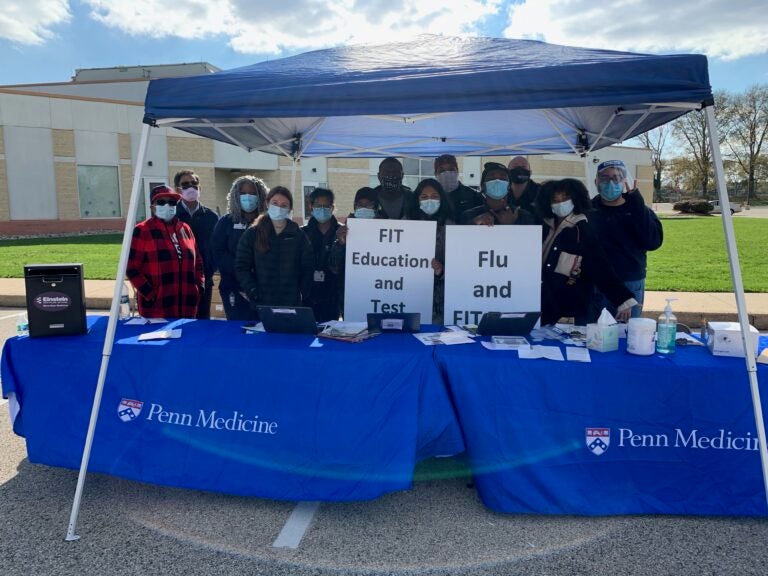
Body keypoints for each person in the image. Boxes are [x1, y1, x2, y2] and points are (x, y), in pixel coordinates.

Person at [536, 178, 637, 326]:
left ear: (576, 198)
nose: (560, 203)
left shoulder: (583, 229)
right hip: (542, 303)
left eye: (565, 198)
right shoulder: (544, 225)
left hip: (570, 308)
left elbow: (600, 266)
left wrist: (622, 299)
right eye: (555, 199)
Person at [588, 159, 664, 321]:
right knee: (589, 335)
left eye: (616, 178)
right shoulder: (588, 209)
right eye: (604, 177)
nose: (610, 182)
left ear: (624, 182)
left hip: (629, 283)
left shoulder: (639, 210)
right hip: (595, 283)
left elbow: (652, 242)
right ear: (596, 182)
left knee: (626, 336)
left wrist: (636, 206)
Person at [126, 185, 205, 319]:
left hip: (187, 305)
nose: (167, 205)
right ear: (152, 207)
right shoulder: (143, 230)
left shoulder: (185, 229)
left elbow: (197, 261)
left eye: (172, 202)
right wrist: (150, 293)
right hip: (157, 308)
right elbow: (131, 267)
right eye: (161, 202)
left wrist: (199, 286)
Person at [234, 186, 314, 316]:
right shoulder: (252, 234)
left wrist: (301, 293)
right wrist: (253, 290)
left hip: (292, 305)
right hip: (261, 305)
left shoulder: (298, 235)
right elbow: (241, 266)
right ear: (267, 203)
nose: (279, 208)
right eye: (275, 203)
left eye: (284, 205)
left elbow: (308, 267)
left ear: (289, 209)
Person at [211, 175, 268, 321]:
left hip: (263, 289)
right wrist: (242, 269)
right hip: (233, 287)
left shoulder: (269, 223)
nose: (247, 197)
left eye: (252, 193)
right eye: (243, 193)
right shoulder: (226, 222)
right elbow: (218, 252)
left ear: (260, 195)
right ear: (236, 196)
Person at [328, 187, 382, 318]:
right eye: (360, 204)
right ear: (354, 206)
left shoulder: (389, 228)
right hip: (352, 298)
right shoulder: (344, 231)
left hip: (381, 294)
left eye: (368, 204)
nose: (364, 208)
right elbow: (334, 268)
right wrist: (341, 243)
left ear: (376, 207)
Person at [173, 170, 219, 320]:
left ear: (200, 188)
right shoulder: (172, 216)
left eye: (194, 183)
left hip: (204, 280)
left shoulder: (211, 217)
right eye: (185, 184)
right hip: (178, 281)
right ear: (177, 189)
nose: (191, 187)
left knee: (202, 322)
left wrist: (210, 271)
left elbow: (217, 247)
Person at [408, 178, 453, 324]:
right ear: (417, 199)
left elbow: (462, 267)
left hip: (442, 303)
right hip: (411, 294)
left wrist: (441, 271)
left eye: (434, 196)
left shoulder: (452, 226)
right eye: (424, 197)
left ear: (442, 199)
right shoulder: (406, 223)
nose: (429, 200)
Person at [302, 187, 342, 322]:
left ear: (332, 207)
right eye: (319, 206)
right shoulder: (302, 233)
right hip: (308, 294)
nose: (323, 209)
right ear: (311, 206)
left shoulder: (342, 232)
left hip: (333, 294)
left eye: (326, 206)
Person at [460, 162, 537, 226]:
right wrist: (474, 223)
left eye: (503, 178)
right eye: (491, 178)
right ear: (483, 186)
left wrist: (513, 224)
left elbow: (529, 242)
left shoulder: (523, 216)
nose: (497, 181)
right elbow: (458, 240)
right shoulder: (469, 215)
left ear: (509, 186)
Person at [433, 154, 483, 223]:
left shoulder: (473, 195)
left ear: (457, 171)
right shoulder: (429, 197)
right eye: (442, 171)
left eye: (451, 169)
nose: (447, 173)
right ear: (435, 174)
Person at [507, 156, 541, 220]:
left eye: (523, 167)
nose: (519, 170)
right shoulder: (499, 192)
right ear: (507, 172)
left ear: (530, 173)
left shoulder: (541, 192)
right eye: (515, 167)